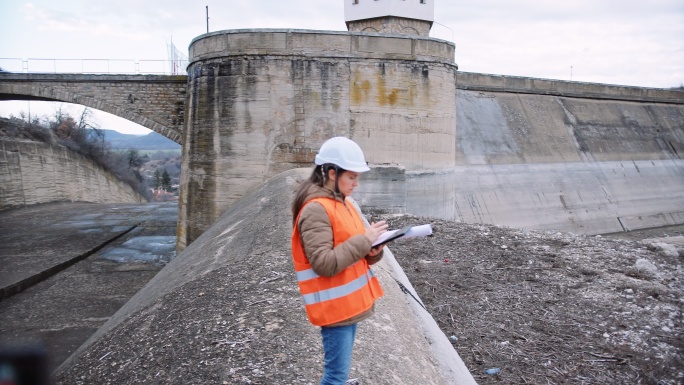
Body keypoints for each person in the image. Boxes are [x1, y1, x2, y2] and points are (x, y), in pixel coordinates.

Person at [291, 137, 389, 385]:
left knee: (339, 375)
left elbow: (353, 250)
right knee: (335, 376)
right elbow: (323, 263)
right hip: (334, 308)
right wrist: (364, 241)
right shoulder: (316, 209)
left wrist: (374, 247)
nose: (356, 184)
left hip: (348, 305)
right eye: (352, 177)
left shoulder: (341, 202)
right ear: (331, 174)